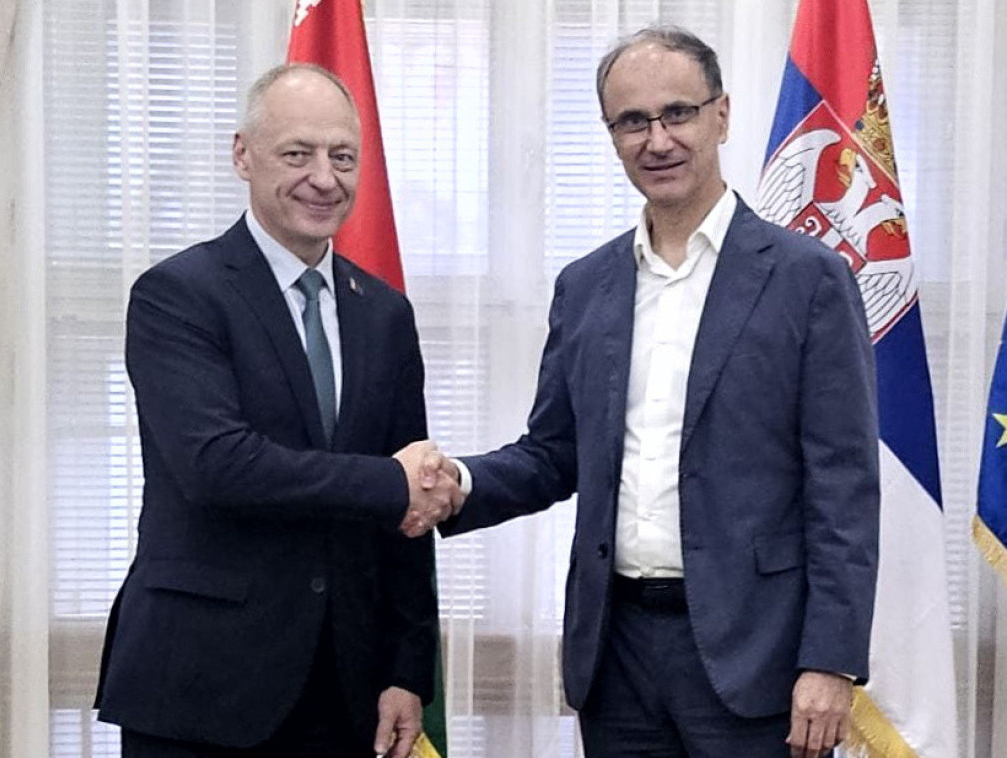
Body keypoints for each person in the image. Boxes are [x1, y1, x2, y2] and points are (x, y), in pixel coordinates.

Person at [429, 26, 880, 758]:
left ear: (721, 115)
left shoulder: (808, 279)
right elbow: (554, 453)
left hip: (756, 657)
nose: (657, 140)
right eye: (632, 121)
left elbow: (844, 486)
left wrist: (830, 660)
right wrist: (460, 482)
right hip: (617, 655)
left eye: (677, 113)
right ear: (611, 135)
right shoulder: (586, 286)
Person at [94, 64, 461, 758]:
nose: (324, 178)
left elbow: (406, 519)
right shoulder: (177, 295)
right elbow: (218, 465)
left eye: (342, 157)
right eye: (298, 153)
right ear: (244, 155)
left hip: (347, 691)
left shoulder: (384, 314)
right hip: (200, 687)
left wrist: (407, 668)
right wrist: (390, 481)